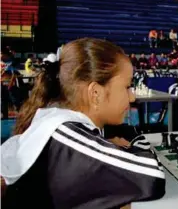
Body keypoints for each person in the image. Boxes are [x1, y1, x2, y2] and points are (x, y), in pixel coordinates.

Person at [1, 38, 166, 208]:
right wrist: (136, 143)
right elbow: (151, 176)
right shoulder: (65, 132)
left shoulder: (57, 121)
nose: (132, 97)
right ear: (95, 93)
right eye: (127, 86)